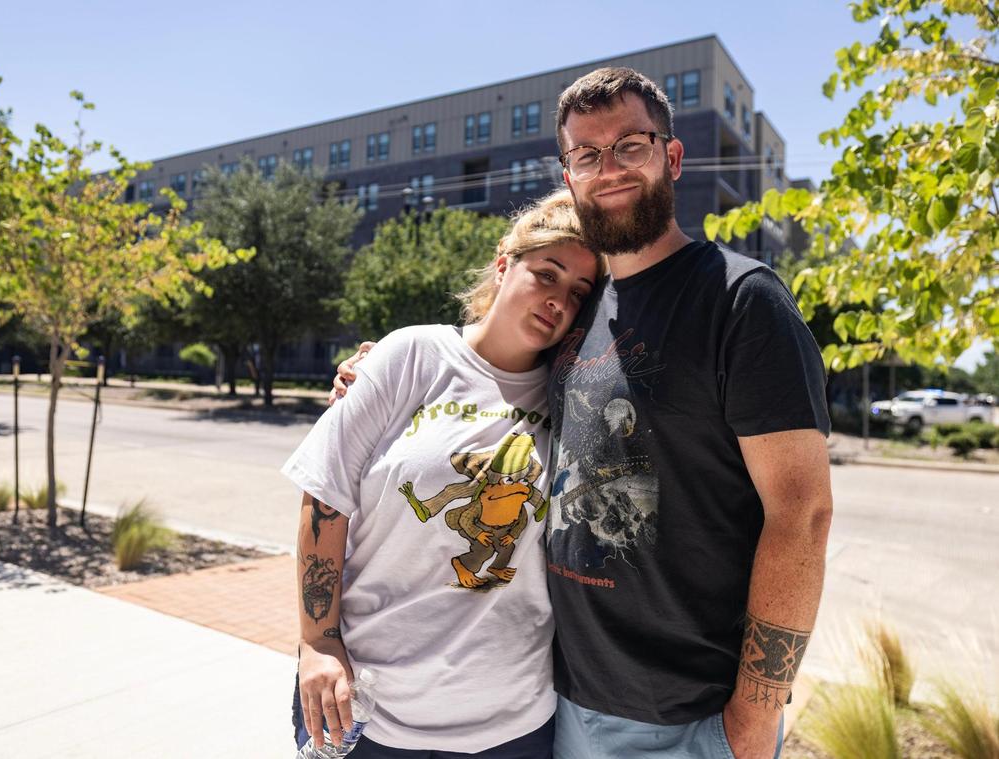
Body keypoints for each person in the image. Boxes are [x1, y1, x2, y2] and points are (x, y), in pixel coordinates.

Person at [333, 67, 833, 759]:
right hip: (562, 701)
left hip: (689, 719)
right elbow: (486, 381)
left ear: (672, 157)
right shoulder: (579, 314)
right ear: (569, 174)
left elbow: (803, 513)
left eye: (631, 145)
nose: (610, 169)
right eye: (587, 155)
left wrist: (751, 719)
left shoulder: (742, 299)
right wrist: (375, 372)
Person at [283, 190, 606, 758]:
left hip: (511, 723)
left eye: (578, 292)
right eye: (547, 274)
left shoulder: (575, 395)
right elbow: (325, 495)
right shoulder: (411, 355)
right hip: (368, 706)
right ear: (505, 263)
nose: (558, 300)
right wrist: (317, 640)